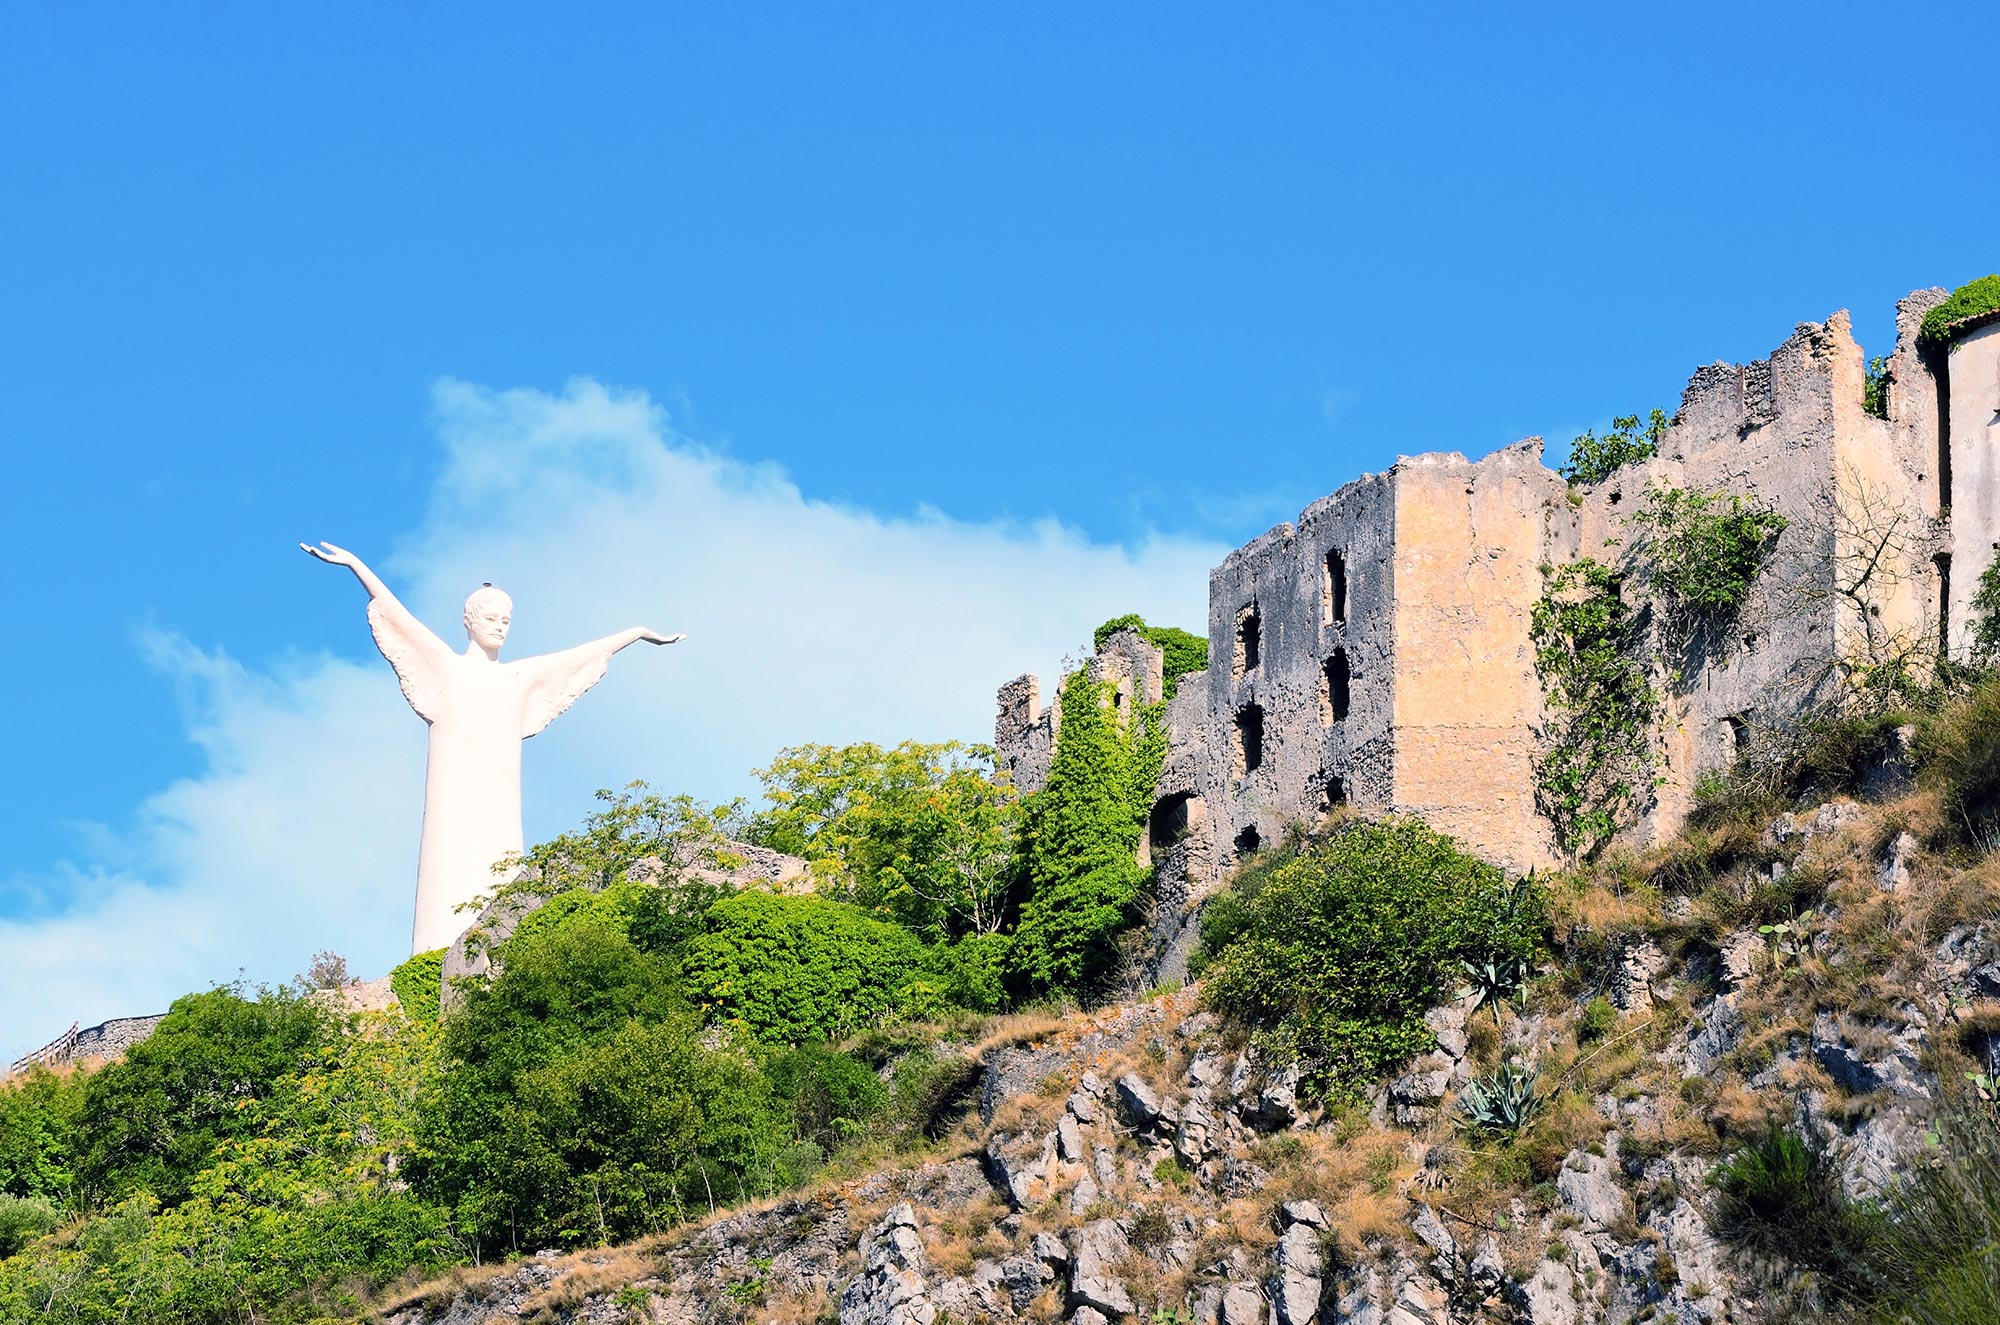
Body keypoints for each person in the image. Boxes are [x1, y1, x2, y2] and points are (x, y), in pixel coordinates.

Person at [300, 540, 683, 952]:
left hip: (500, 802)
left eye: (506, 619)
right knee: (447, 878)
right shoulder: (448, 670)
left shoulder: (518, 679)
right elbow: (400, 617)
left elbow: (577, 657)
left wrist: (637, 633)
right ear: (469, 621)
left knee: (500, 873)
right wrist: (357, 564)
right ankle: (438, 958)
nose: (500, 626)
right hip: (451, 799)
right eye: (491, 618)